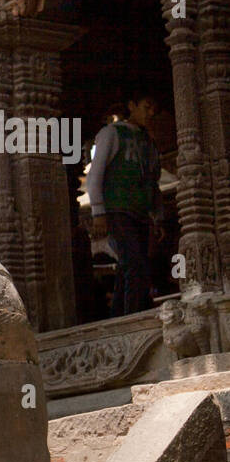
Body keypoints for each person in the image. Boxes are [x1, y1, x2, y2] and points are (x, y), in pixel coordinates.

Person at [86, 95, 164, 316]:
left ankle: (118, 318)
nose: (150, 114)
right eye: (146, 106)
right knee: (135, 265)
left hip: (141, 212)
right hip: (117, 210)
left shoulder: (148, 141)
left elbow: (153, 181)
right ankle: (135, 318)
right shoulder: (112, 133)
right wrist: (98, 212)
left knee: (128, 267)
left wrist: (157, 217)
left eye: (154, 111)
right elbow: (95, 175)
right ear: (132, 105)